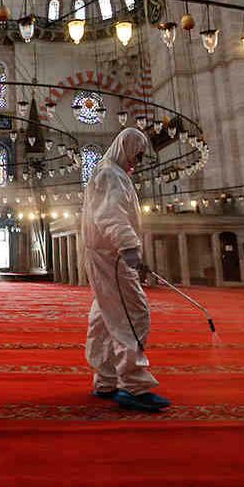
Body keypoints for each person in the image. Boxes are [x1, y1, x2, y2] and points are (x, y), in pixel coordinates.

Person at [80, 128, 170, 413]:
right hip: (113, 256)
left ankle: (105, 380)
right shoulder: (111, 175)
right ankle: (134, 385)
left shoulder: (112, 173)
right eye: (137, 155)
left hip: (106, 255)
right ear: (125, 148)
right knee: (134, 314)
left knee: (106, 316)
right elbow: (109, 214)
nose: (138, 161)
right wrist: (129, 247)